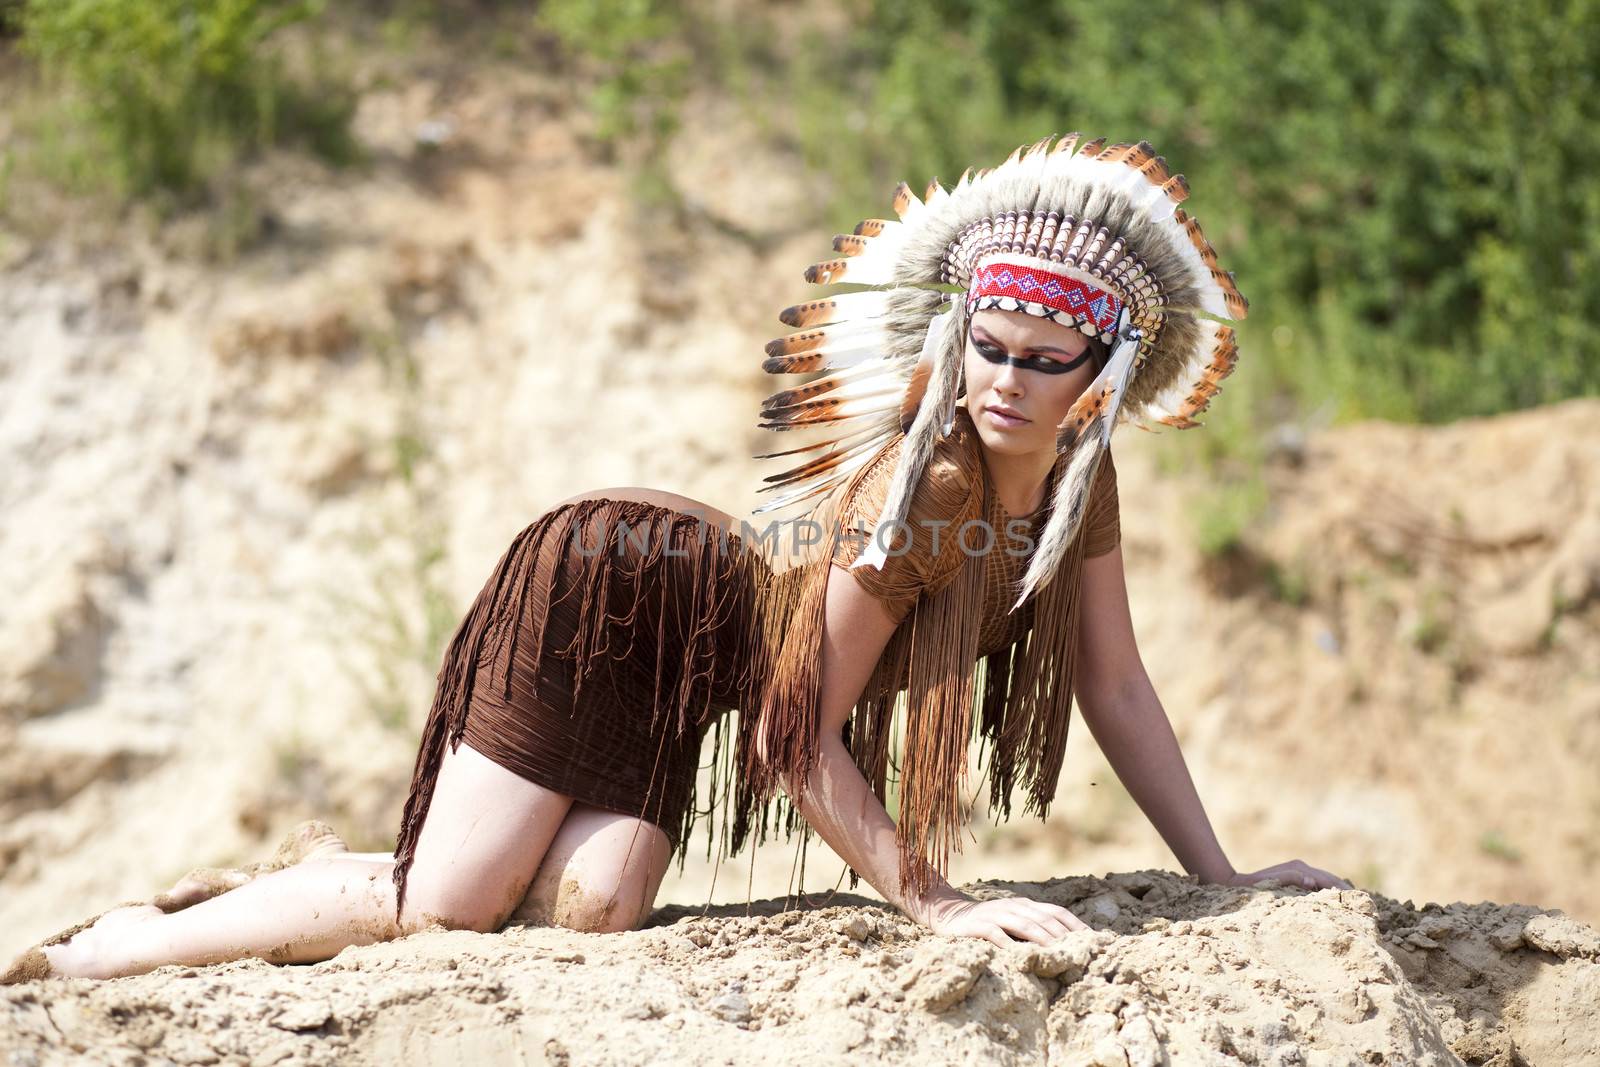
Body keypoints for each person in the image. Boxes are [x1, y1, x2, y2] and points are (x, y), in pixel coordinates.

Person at [4, 134, 1351, 984]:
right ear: (958, 346)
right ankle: (117, 943)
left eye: (1042, 360)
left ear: (1101, 378)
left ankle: (310, 882)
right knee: (450, 908)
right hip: (613, 587)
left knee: (589, 913)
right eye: (986, 349)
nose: (1005, 381)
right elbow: (789, 733)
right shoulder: (935, 483)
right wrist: (931, 902)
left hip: (696, 662)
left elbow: (1116, 682)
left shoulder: (1078, 477)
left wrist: (1222, 877)